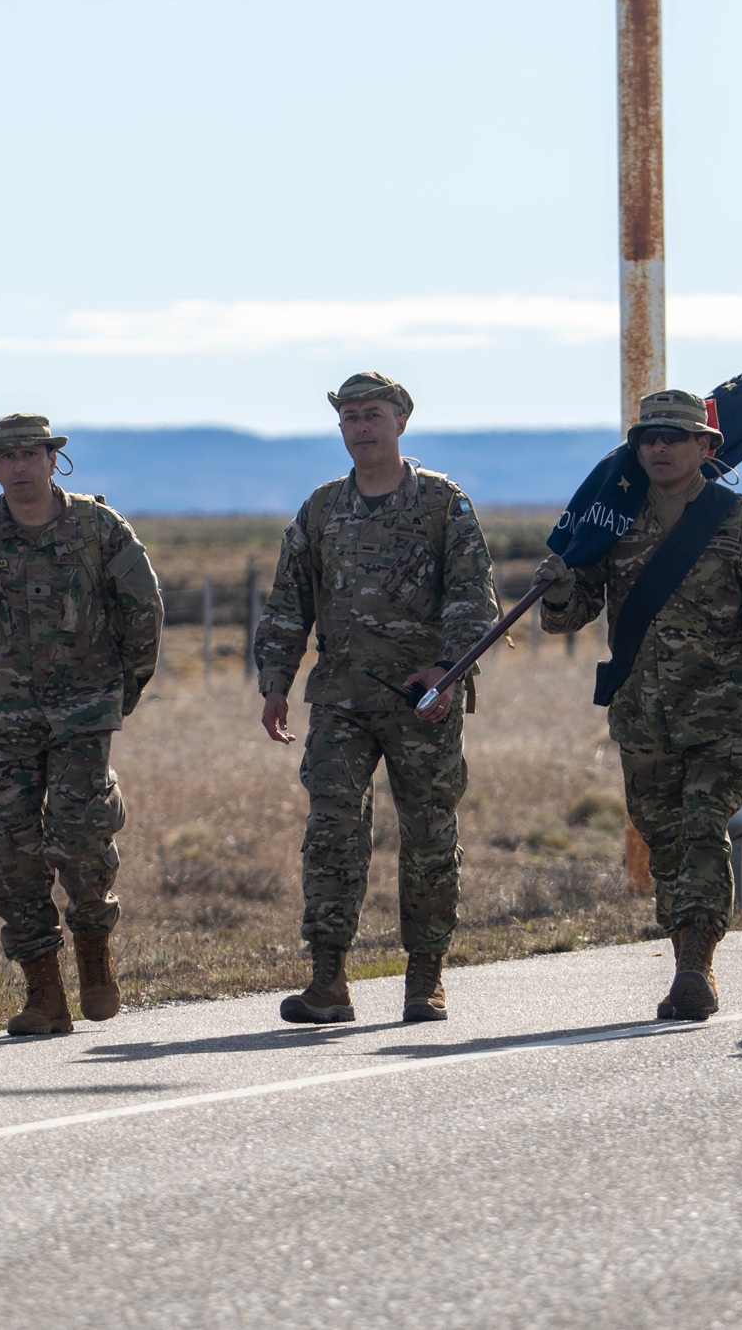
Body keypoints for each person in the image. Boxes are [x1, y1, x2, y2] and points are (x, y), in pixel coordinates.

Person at [534, 389, 742, 1021]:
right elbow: (571, 616)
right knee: (663, 840)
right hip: (642, 710)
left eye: (675, 437)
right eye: (649, 439)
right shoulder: (612, 519)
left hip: (719, 710)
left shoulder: (735, 520)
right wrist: (556, 588)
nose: (660, 448)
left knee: (702, 827)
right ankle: (684, 946)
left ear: (705, 447)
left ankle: (696, 965)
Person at [256, 372, 499, 1024]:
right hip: (341, 699)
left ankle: (425, 976)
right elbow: (288, 602)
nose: (361, 427)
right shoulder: (321, 508)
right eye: (350, 417)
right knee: (330, 831)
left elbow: (472, 597)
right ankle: (328, 979)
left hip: (423, 700)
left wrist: (449, 671)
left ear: (401, 422)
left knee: (429, 835)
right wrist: (275, 681)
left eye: (373, 414)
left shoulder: (442, 503)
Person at [0, 413, 162, 1036]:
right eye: (5, 458)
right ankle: (44, 994)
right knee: (6, 850)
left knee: (80, 838)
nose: (18, 467)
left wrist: (120, 691)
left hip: (83, 712)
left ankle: (93, 944)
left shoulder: (99, 528)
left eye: (29, 454)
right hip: (1, 717)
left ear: (52, 460)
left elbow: (143, 611)